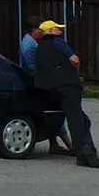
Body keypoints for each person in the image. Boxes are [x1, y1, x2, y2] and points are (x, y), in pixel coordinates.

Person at [32, 20, 99, 168]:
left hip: (50, 89)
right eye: (57, 29)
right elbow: (74, 60)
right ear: (49, 31)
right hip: (68, 85)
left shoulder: (39, 49)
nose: (60, 31)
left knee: (80, 118)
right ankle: (84, 151)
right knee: (77, 119)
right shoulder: (57, 42)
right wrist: (74, 68)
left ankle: (84, 149)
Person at [19, 21, 74, 155]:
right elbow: (33, 67)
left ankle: (54, 143)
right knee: (55, 111)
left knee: (49, 112)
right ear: (34, 30)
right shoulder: (30, 45)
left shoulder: (31, 42)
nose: (42, 33)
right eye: (40, 30)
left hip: (39, 81)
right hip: (40, 83)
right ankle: (71, 146)